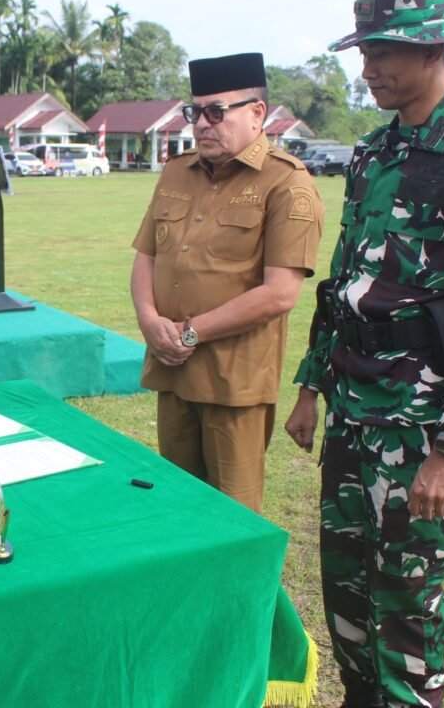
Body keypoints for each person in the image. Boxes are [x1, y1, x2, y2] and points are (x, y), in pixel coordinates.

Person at [284, 0, 444, 708]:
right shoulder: (372, 152)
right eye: (364, 50)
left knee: (409, 615)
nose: (369, 68)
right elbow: (343, 277)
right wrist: (310, 384)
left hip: (422, 427)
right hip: (354, 410)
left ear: (436, 48)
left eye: (385, 49)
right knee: (348, 597)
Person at [131, 52, 324, 513]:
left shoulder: (286, 184)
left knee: (231, 513)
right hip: (172, 371)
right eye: (194, 113)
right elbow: (145, 257)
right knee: (177, 503)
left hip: (233, 383)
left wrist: (190, 331)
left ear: (257, 113)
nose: (201, 124)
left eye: (216, 112)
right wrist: (148, 320)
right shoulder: (179, 171)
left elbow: (280, 293)